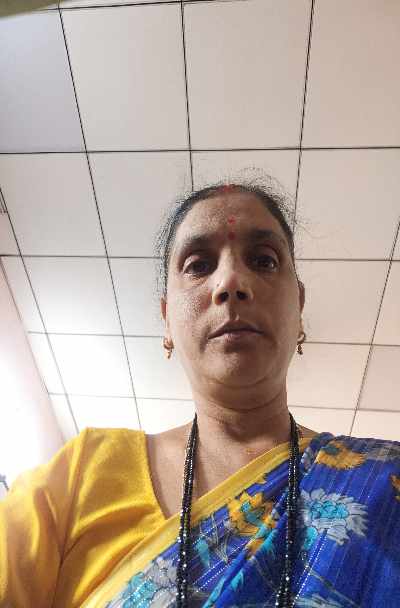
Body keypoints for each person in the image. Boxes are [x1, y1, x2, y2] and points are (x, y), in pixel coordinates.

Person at [1, 181, 399, 608]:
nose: (231, 282)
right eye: (199, 265)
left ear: (298, 307)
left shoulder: (384, 483)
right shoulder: (82, 473)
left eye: (264, 260)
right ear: (167, 320)